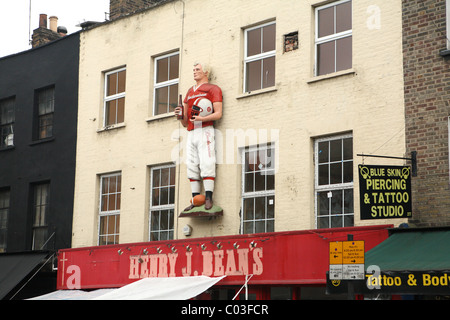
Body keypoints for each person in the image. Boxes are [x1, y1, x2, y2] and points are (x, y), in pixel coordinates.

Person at [175, 62, 223, 210]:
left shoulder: (213, 89)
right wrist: (180, 115)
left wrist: (202, 119)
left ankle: (208, 197)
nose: (194, 72)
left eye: (198, 69)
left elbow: (218, 113)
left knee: (207, 161)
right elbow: (185, 122)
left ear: (206, 72)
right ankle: (195, 198)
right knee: (191, 163)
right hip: (191, 131)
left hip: (205, 129)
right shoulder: (190, 91)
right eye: (193, 69)